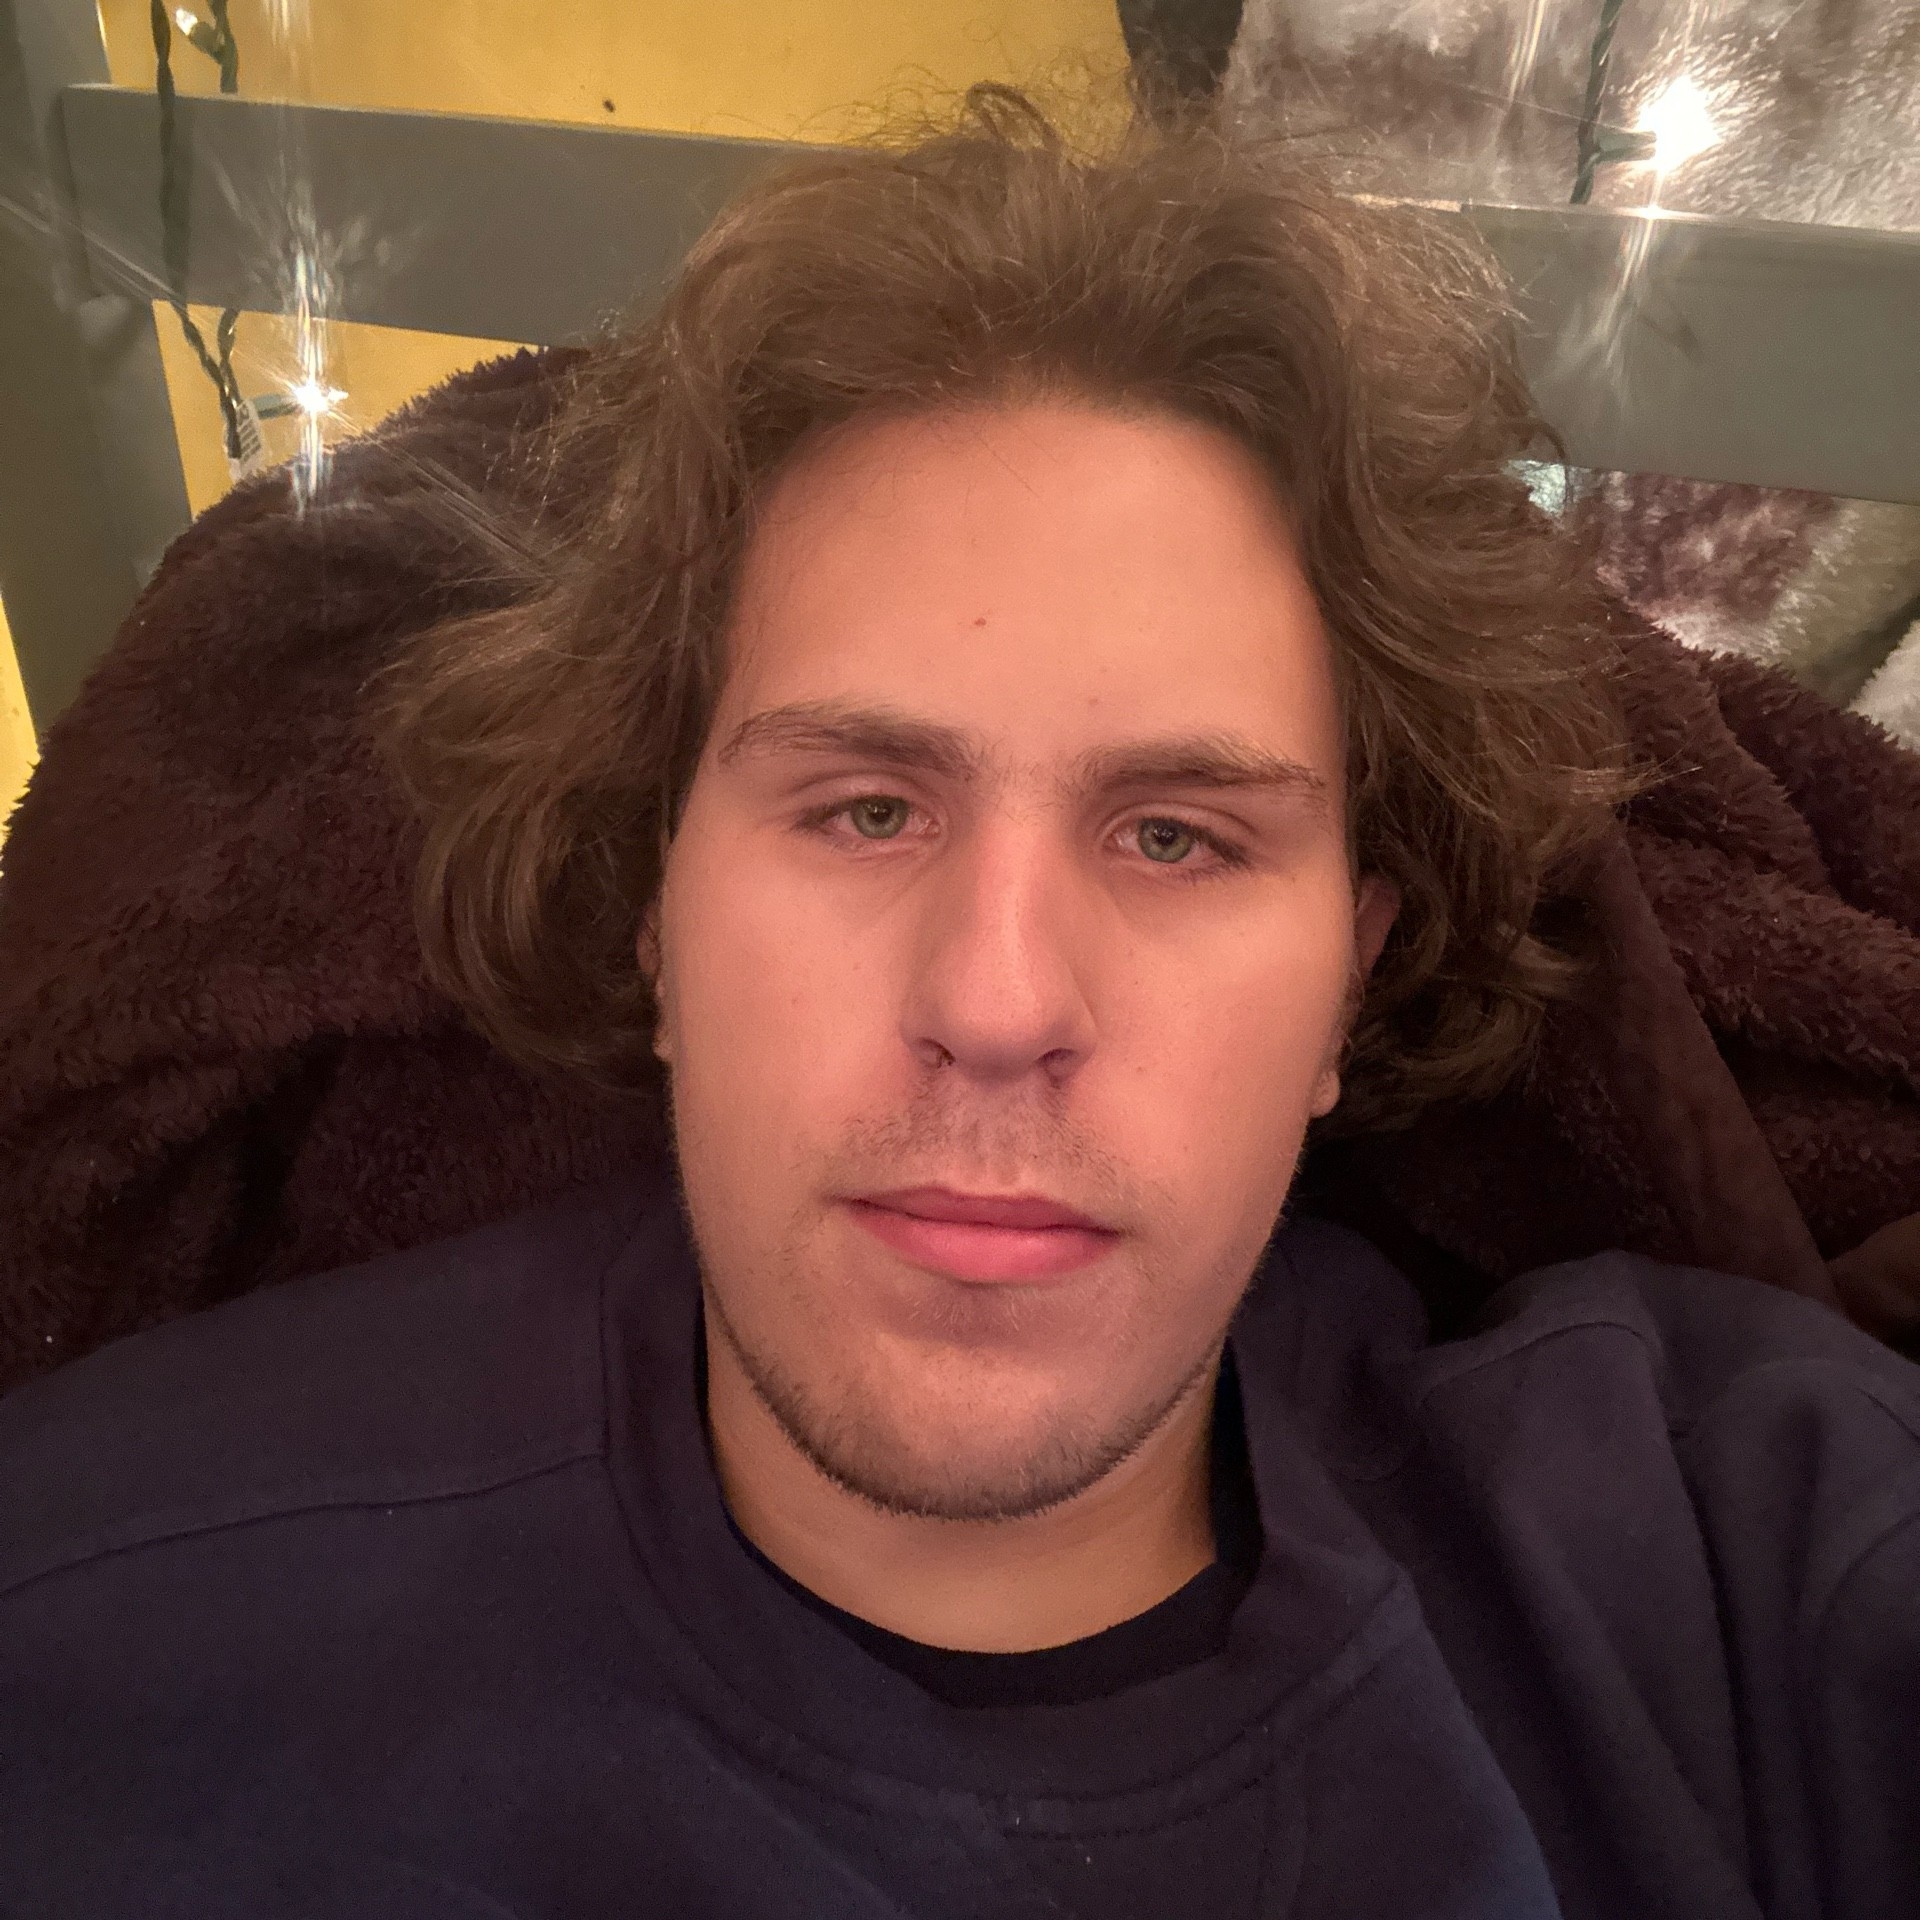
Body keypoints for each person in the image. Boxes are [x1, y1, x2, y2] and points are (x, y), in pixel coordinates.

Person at [1, 87, 1915, 1920]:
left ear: (1351, 980)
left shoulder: (1732, 1556)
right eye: (866, 808)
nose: (996, 1003)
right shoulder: (101, 1632)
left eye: (1175, 836)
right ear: (655, 916)